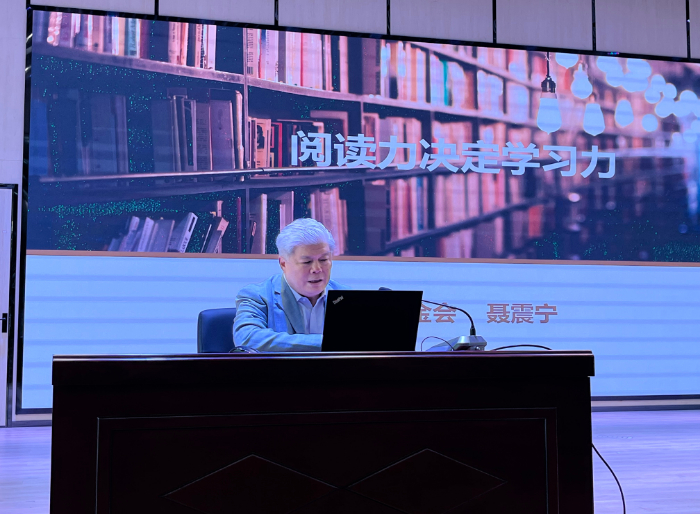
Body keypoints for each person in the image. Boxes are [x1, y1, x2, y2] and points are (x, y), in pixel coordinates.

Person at [233, 218, 347, 352]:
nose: (317, 269)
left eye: (323, 260)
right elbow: (248, 339)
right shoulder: (257, 296)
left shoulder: (345, 296)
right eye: (307, 262)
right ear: (283, 264)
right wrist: (331, 342)